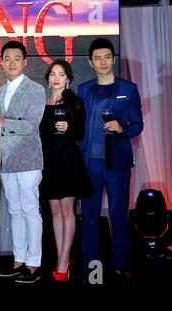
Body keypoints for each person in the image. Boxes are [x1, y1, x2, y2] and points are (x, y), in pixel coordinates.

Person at [78, 38, 143, 280]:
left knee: (118, 213)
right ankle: (90, 263)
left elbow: (138, 124)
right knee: (90, 214)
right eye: (98, 58)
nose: (103, 62)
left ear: (113, 59)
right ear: (91, 62)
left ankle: (120, 262)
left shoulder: (129, 89)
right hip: (90, 162)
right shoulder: (83, 90)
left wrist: (122, 127)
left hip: (117, 162)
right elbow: (78, 125)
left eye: (107, 57)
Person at [0, 40, 45, 284]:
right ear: (1, 62)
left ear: (25, 62)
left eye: (16, 58)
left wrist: (4, 122)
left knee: (30, 210)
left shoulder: (36, 89)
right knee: (14, 210)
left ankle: (34, 263)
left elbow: (32, 125)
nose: (11, 63)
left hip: (29, 159)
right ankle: (18, 260)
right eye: (7, 58)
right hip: (7, 162)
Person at [39, 59, 93, 282]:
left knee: (68, 210)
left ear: (68, 78)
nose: (56, 78)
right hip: (49, 163)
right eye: (53, 74)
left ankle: (64, 259)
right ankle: (62, 257)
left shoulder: (75, 102)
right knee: (55, 212)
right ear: (48, 78)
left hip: (69, 162)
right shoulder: (41, 103)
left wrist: (69, 128)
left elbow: (80, 134)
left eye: (61, 74)